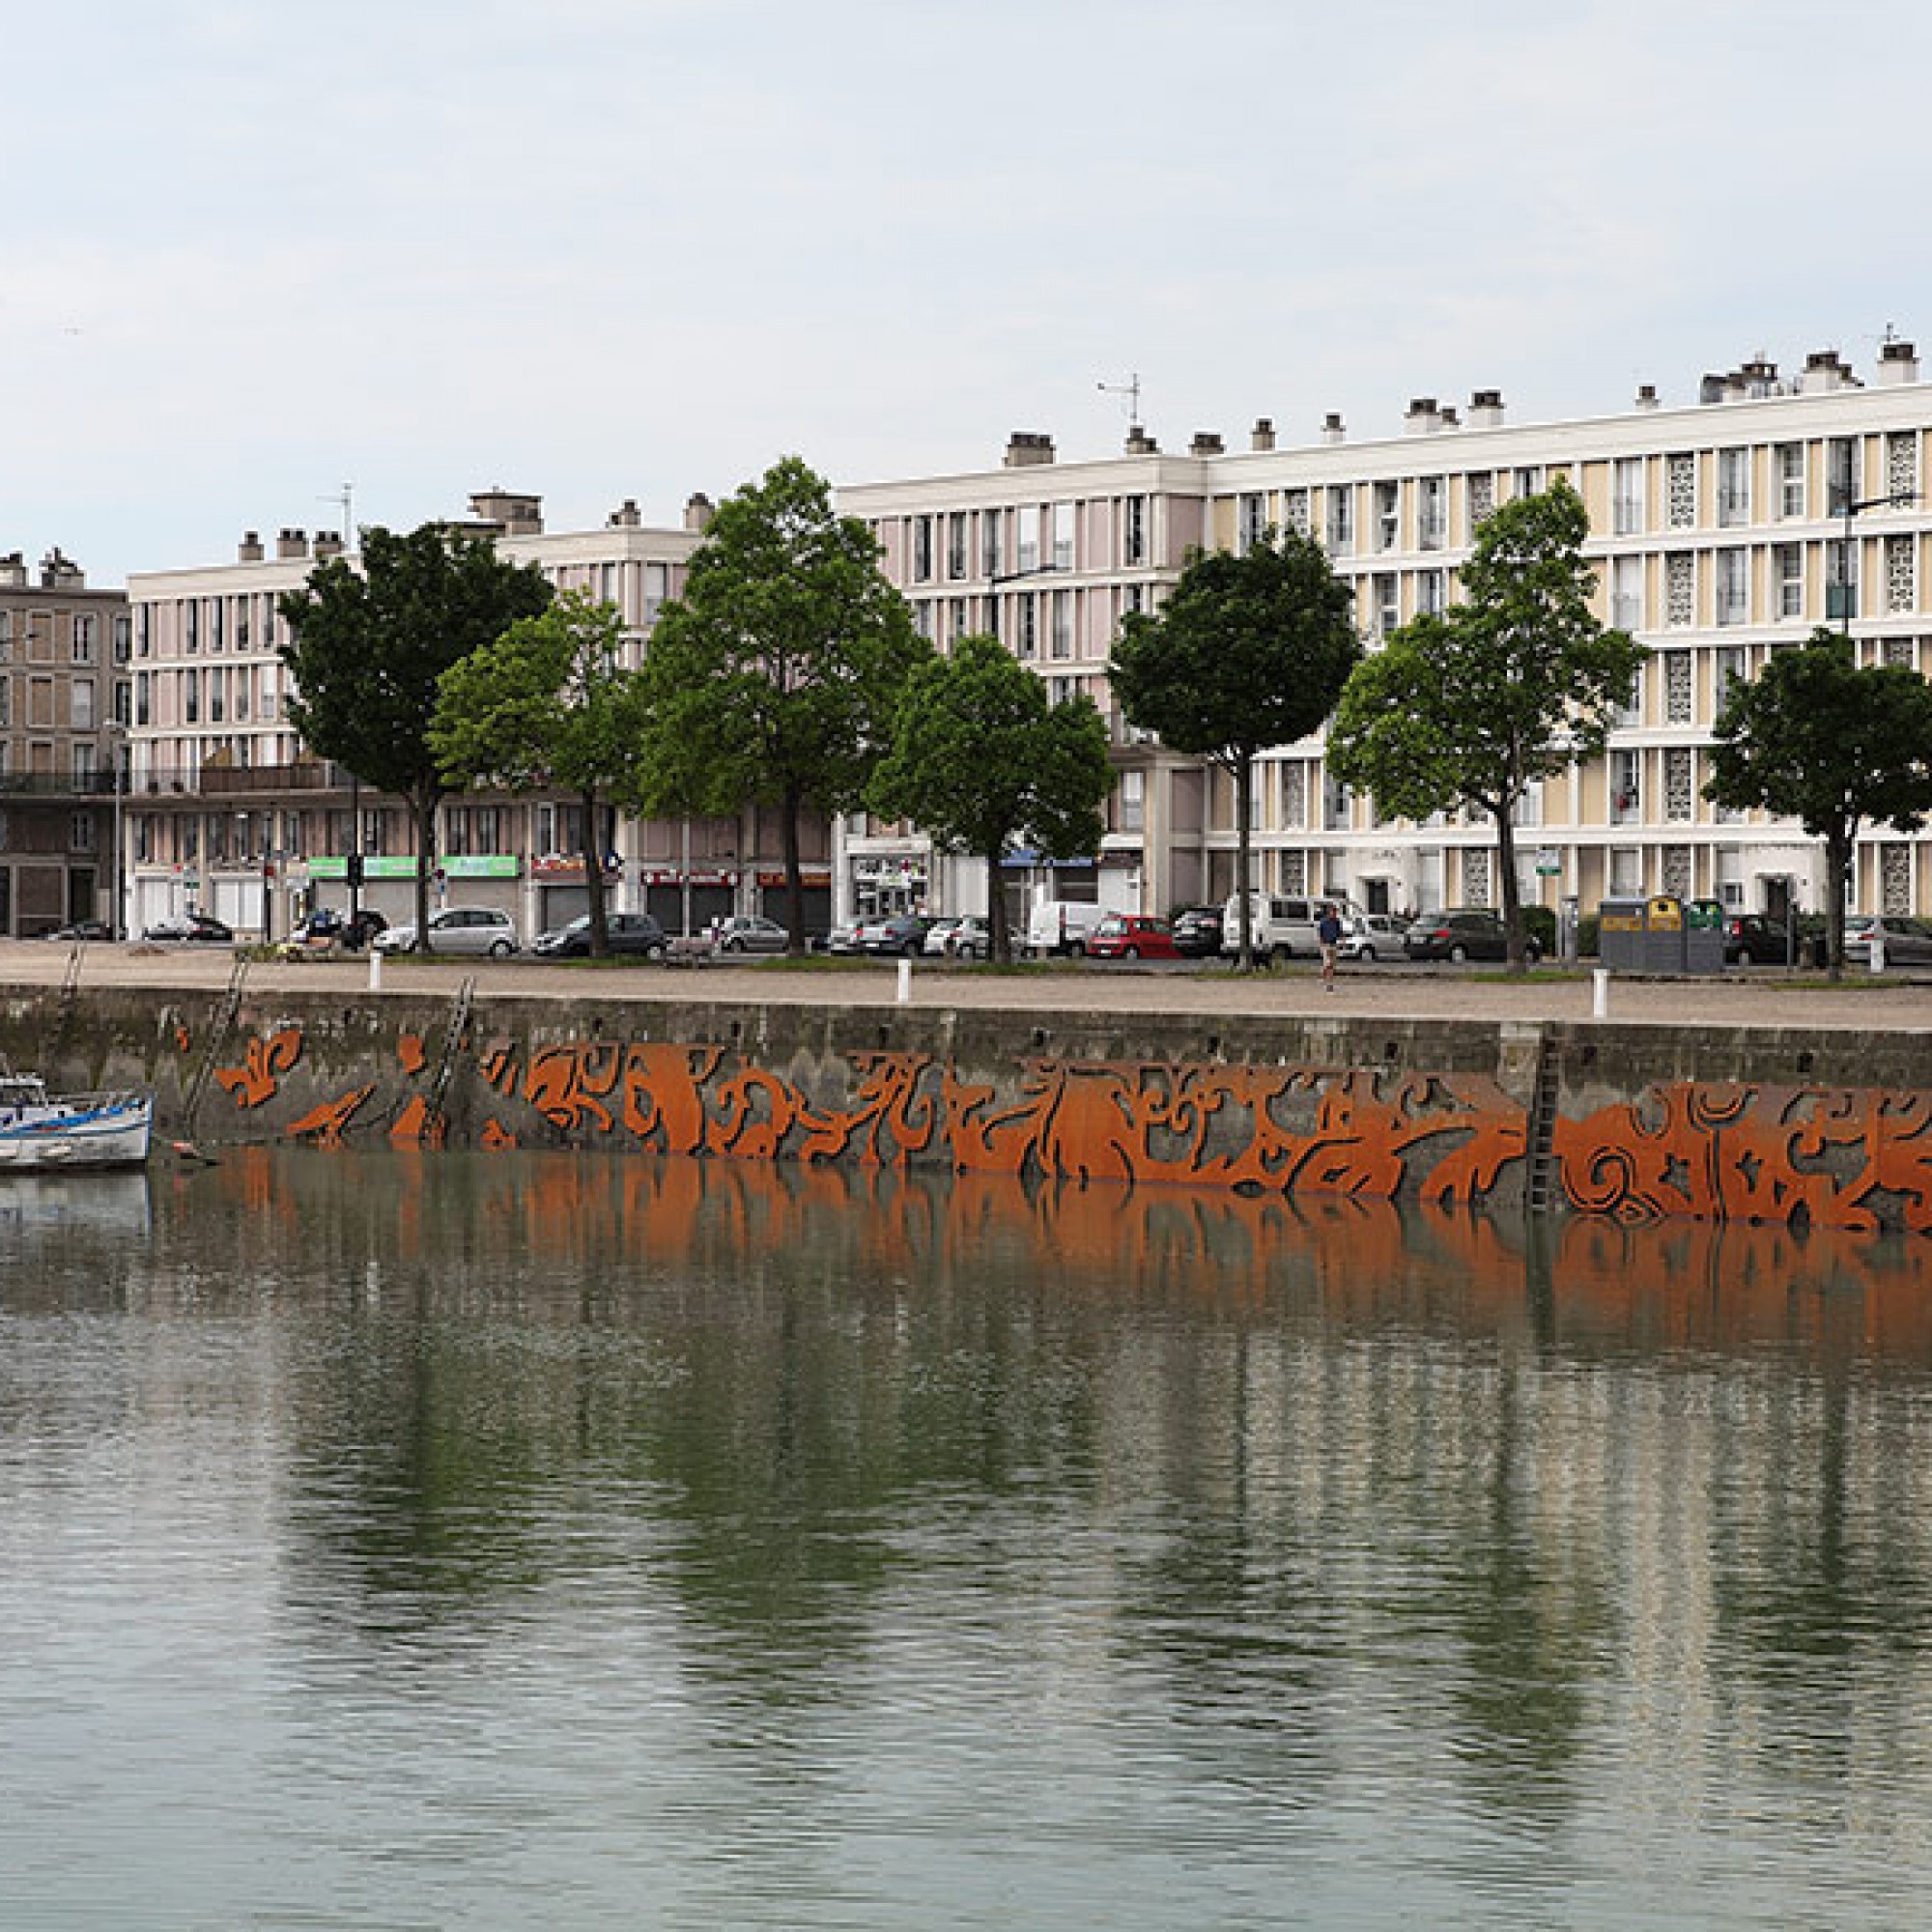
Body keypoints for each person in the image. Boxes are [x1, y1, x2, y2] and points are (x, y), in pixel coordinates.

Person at [1317, 902, 1344, 993]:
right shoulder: (1323, 921)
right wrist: (1322, 945)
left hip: (1334, 944)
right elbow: (1320, 934)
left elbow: (1339, 933)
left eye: (1336, 912)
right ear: (1329, 912)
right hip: (1326, 945)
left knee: (1332, 965)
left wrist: (1342, 941)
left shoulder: (1337, 922)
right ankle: (1328, 984)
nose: (1335, 914)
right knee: (1328, 964)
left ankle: (1327, 981)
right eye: (1333, 912)